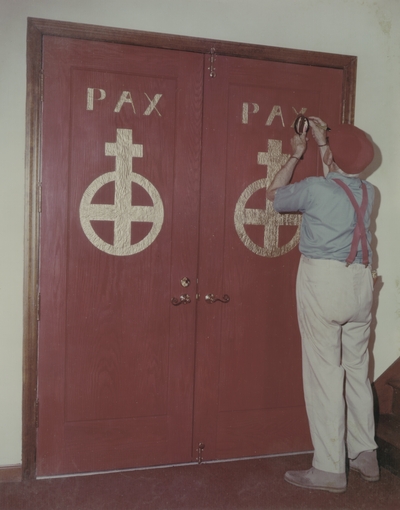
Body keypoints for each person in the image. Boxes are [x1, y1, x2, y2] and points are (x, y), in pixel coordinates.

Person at [265, 117, 379, 493]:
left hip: (324, 282)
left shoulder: (314, 189)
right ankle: (365, 454)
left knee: (324, 375)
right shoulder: (370, 193)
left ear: (334, 154)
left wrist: (297, 155)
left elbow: (274, 195)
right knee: (356, 370)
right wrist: (326, 145)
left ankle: (330, 468)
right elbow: (342, 171)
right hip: (361, 283)